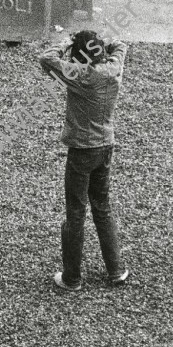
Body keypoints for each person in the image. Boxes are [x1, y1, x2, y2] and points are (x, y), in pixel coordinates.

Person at [39, 27, 130, 292]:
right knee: (102, 207)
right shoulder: (114, 69)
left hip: (81, 149)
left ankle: (71, 278)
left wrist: (65, 43)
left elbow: (46, 59)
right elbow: (121, 47)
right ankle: (116, 270)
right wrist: (106, 41)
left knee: (76, 211)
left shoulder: (80, 75)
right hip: (106, 146)